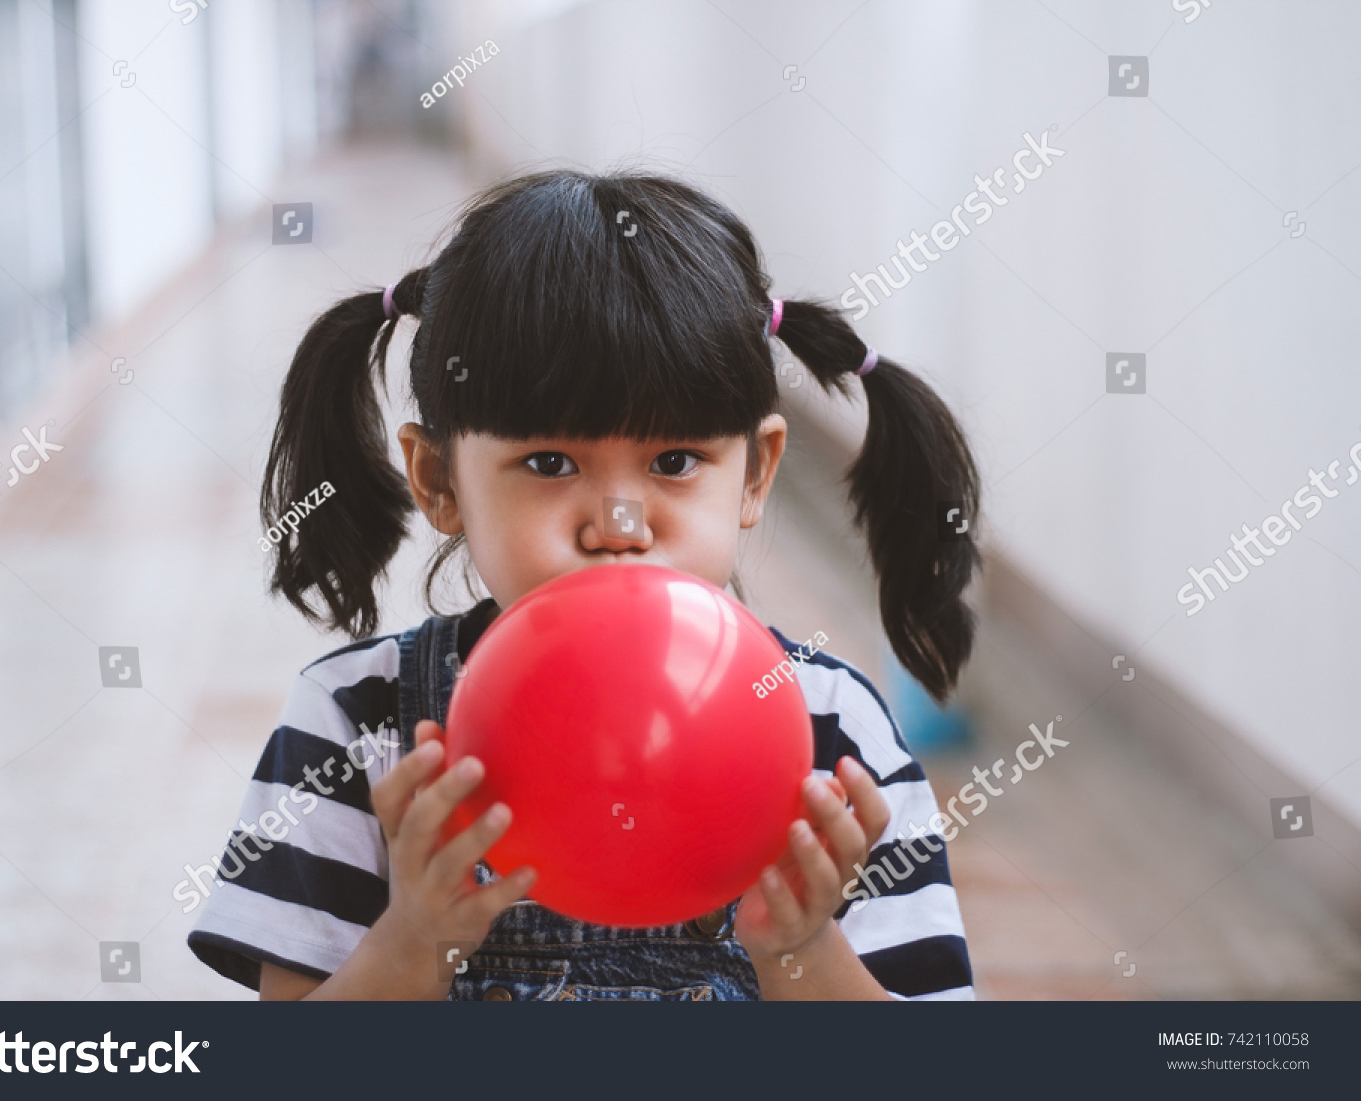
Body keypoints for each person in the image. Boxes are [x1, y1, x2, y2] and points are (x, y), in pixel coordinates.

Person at [187, 169, 981, 1001]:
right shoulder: (358, 724)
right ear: (438, 479)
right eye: (549, 463)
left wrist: (802, 947)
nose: (619, 522)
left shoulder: (834, 736)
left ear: (754, 472)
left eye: (675, 463)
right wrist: (417, 937)